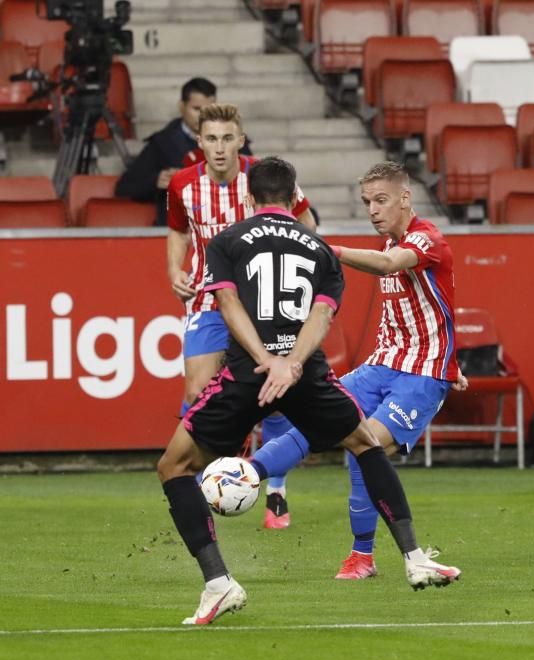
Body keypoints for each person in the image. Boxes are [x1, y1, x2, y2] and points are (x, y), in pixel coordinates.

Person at [156, 156, 461, 625]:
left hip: (248, 374)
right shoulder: (316, 246)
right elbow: (321, 316)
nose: (373, 209)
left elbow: (228, 303)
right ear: (294, 195)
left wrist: (264, 361)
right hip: (304, 372)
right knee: (363, 443)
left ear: (247, 196)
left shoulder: (225, 241)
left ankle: (219, 583)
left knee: (174, 467)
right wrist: (292, 363)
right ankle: (414, 557)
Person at [250, 160, 467, 580]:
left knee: (363, 443)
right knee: (319, 415)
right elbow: (420, 311)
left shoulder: (426, 240)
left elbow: (391, 266)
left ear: (406, 198)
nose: (372, 210)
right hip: (382, 365)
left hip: (420, 377)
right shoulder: (387, 246)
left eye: (381, 200)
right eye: (367, 202)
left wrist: (326, 249)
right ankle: (245, 475)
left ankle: (363, 555)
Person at [166, 103, 315, 530]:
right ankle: (196, 489)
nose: (219, 147)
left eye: (227, 138)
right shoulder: (182, 186)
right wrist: (174, 269)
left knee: (273, 396)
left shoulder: (266, 179)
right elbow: (178, 231)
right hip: (208, 300)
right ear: (199, 142)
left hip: (262, 300)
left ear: (241, 139)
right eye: (211, 138)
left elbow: (304, 220)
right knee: (197, 391)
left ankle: (276, 489)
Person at [114, 77, 252, 227]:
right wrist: (156, 181)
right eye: (197, 109)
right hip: (178, 231)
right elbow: (124, 187)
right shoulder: (162, 143)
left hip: (227, 229)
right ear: (181, 107)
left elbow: (256, 183)